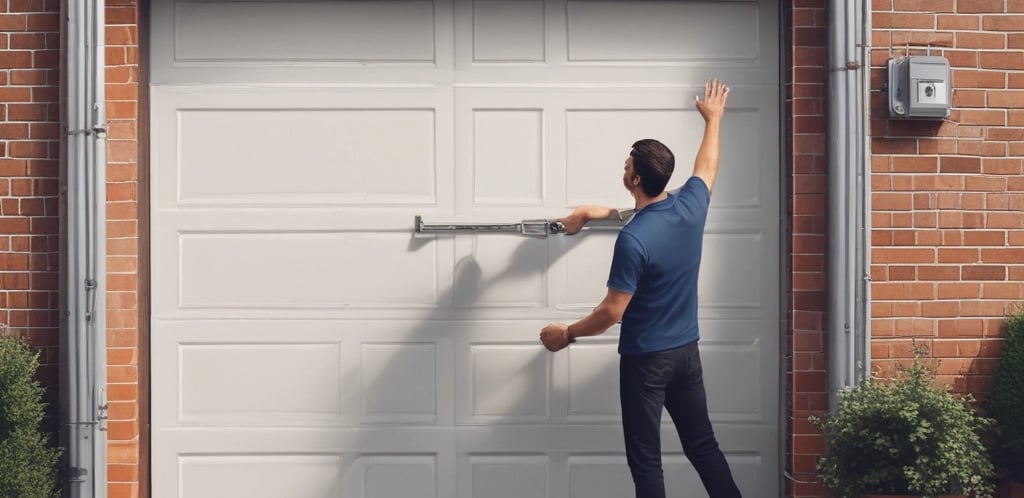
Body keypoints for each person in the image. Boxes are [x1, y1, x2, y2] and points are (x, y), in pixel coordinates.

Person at [539, 80, 740, 498]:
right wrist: (714, 119)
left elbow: (613, 311)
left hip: (646, 362)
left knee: (646, 460)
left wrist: (567, 334)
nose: (624, 166)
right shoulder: (690, 205)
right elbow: (708, 165)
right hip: (686, 354)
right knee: (703, 446)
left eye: (628, 164)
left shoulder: (633, 241)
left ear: (635, 178)